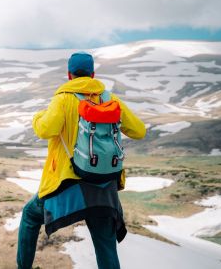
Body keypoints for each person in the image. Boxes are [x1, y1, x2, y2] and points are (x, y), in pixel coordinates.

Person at [17, 52, 146, 269]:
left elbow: (45, 129)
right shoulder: (110, 100)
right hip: (104, 187)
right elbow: (139, 131)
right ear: (93, 74)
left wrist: (37, 116)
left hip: (69, 184)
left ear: (69, 75)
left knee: (30, 216)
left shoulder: (63, 98)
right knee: (105, 243)